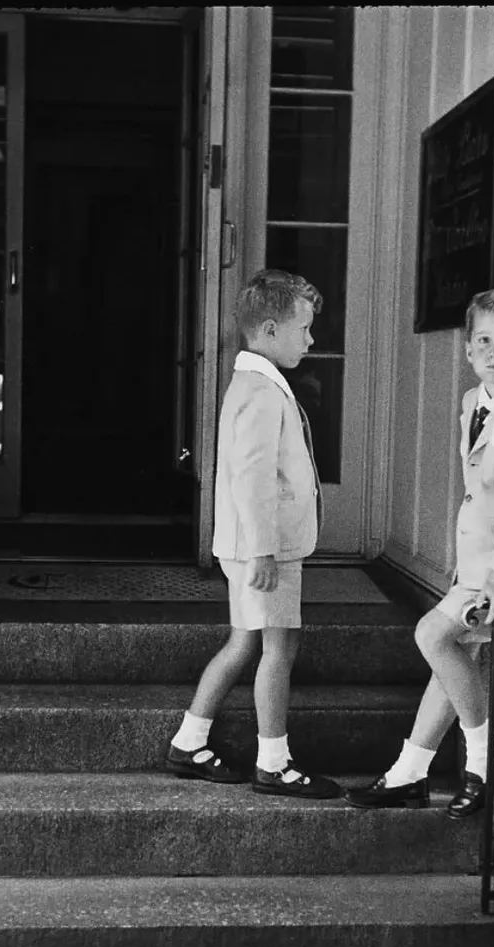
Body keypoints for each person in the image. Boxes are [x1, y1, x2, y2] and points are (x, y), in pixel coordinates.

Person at [346, 287, 494, 816]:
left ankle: (485, 754)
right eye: (485, 341)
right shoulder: (474, 402)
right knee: (452, 661)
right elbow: (480, 492)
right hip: (475, 565)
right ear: (469, 350)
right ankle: (411, 772)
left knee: (433, 634)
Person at [163, 269, 340, 800]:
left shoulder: (257, 384)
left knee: (245, 643)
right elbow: (253, 475)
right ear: (268, 329)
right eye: (304, 329)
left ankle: (190, 741)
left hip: (254, 547)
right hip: (266, 550)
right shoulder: (262, 391)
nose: (311, 340)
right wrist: (264, 548)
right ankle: (274, 763)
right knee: (279, 650)